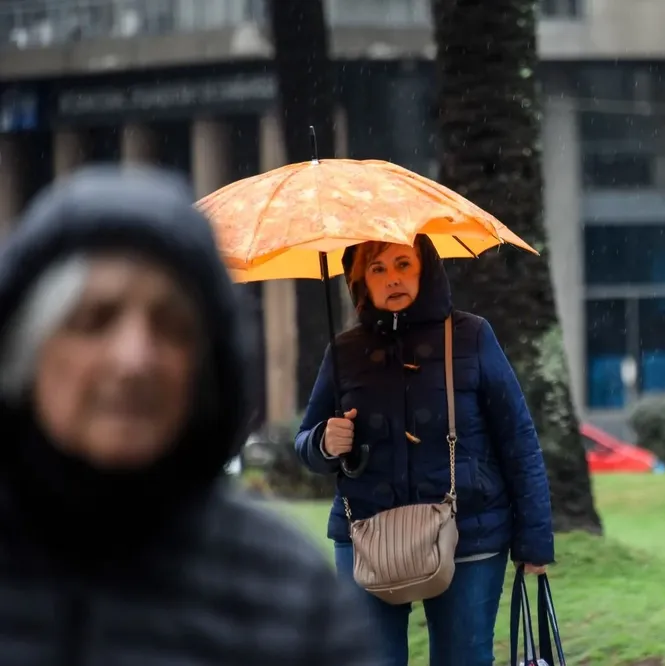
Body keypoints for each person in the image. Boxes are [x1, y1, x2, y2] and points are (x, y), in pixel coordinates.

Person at [0, 165, 380, 666]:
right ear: (25, 353)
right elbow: (311, 439)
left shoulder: (293, 598)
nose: (135, 359)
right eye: (95, 320)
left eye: (171, 326)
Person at [296, 237, 555, 666]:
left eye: (404, 264)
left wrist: (534, 541)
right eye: (377, 269)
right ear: (360, 280)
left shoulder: (471, 336)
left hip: (469, 534)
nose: (393, 277)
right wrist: (324, 440)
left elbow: (518, 440)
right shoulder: (342, 352)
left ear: (427, 270)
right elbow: (305, 441)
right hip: (366, 535)